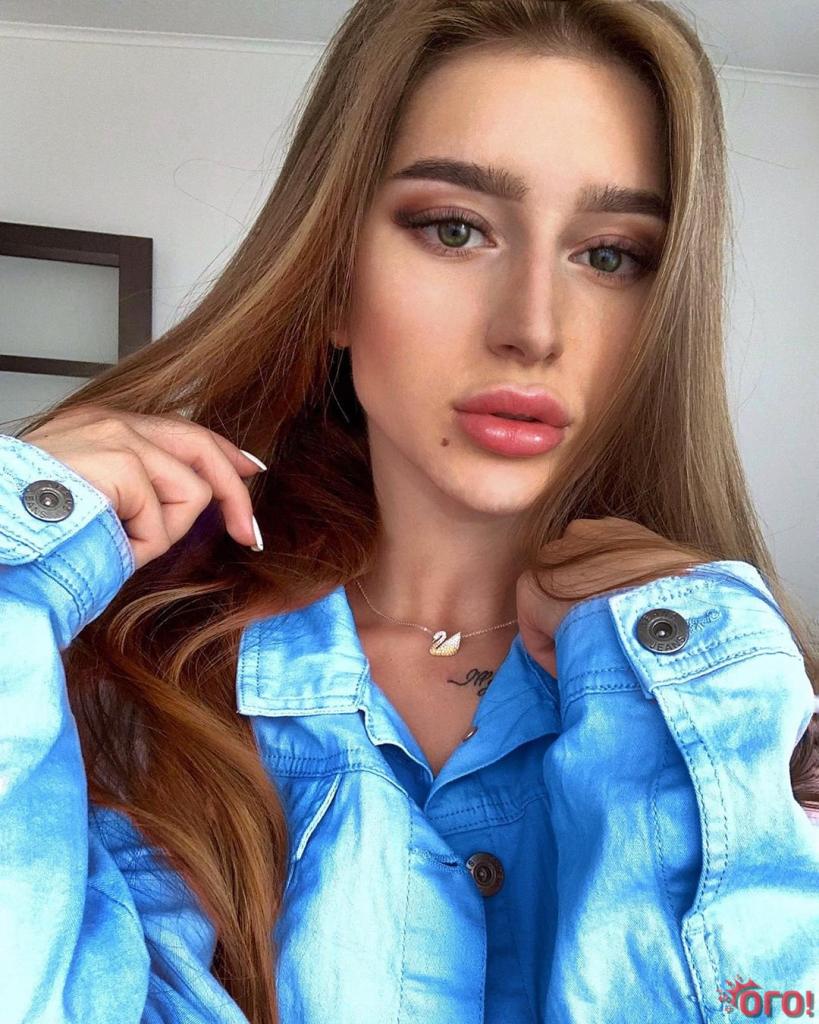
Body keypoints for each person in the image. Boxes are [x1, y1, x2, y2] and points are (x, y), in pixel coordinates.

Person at [1, 1, 817, 1022]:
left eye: (610, 255)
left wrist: (696, 720)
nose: (533, 328)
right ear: (335, 280)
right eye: (455, 229)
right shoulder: (123, 689)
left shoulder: (756, 722)